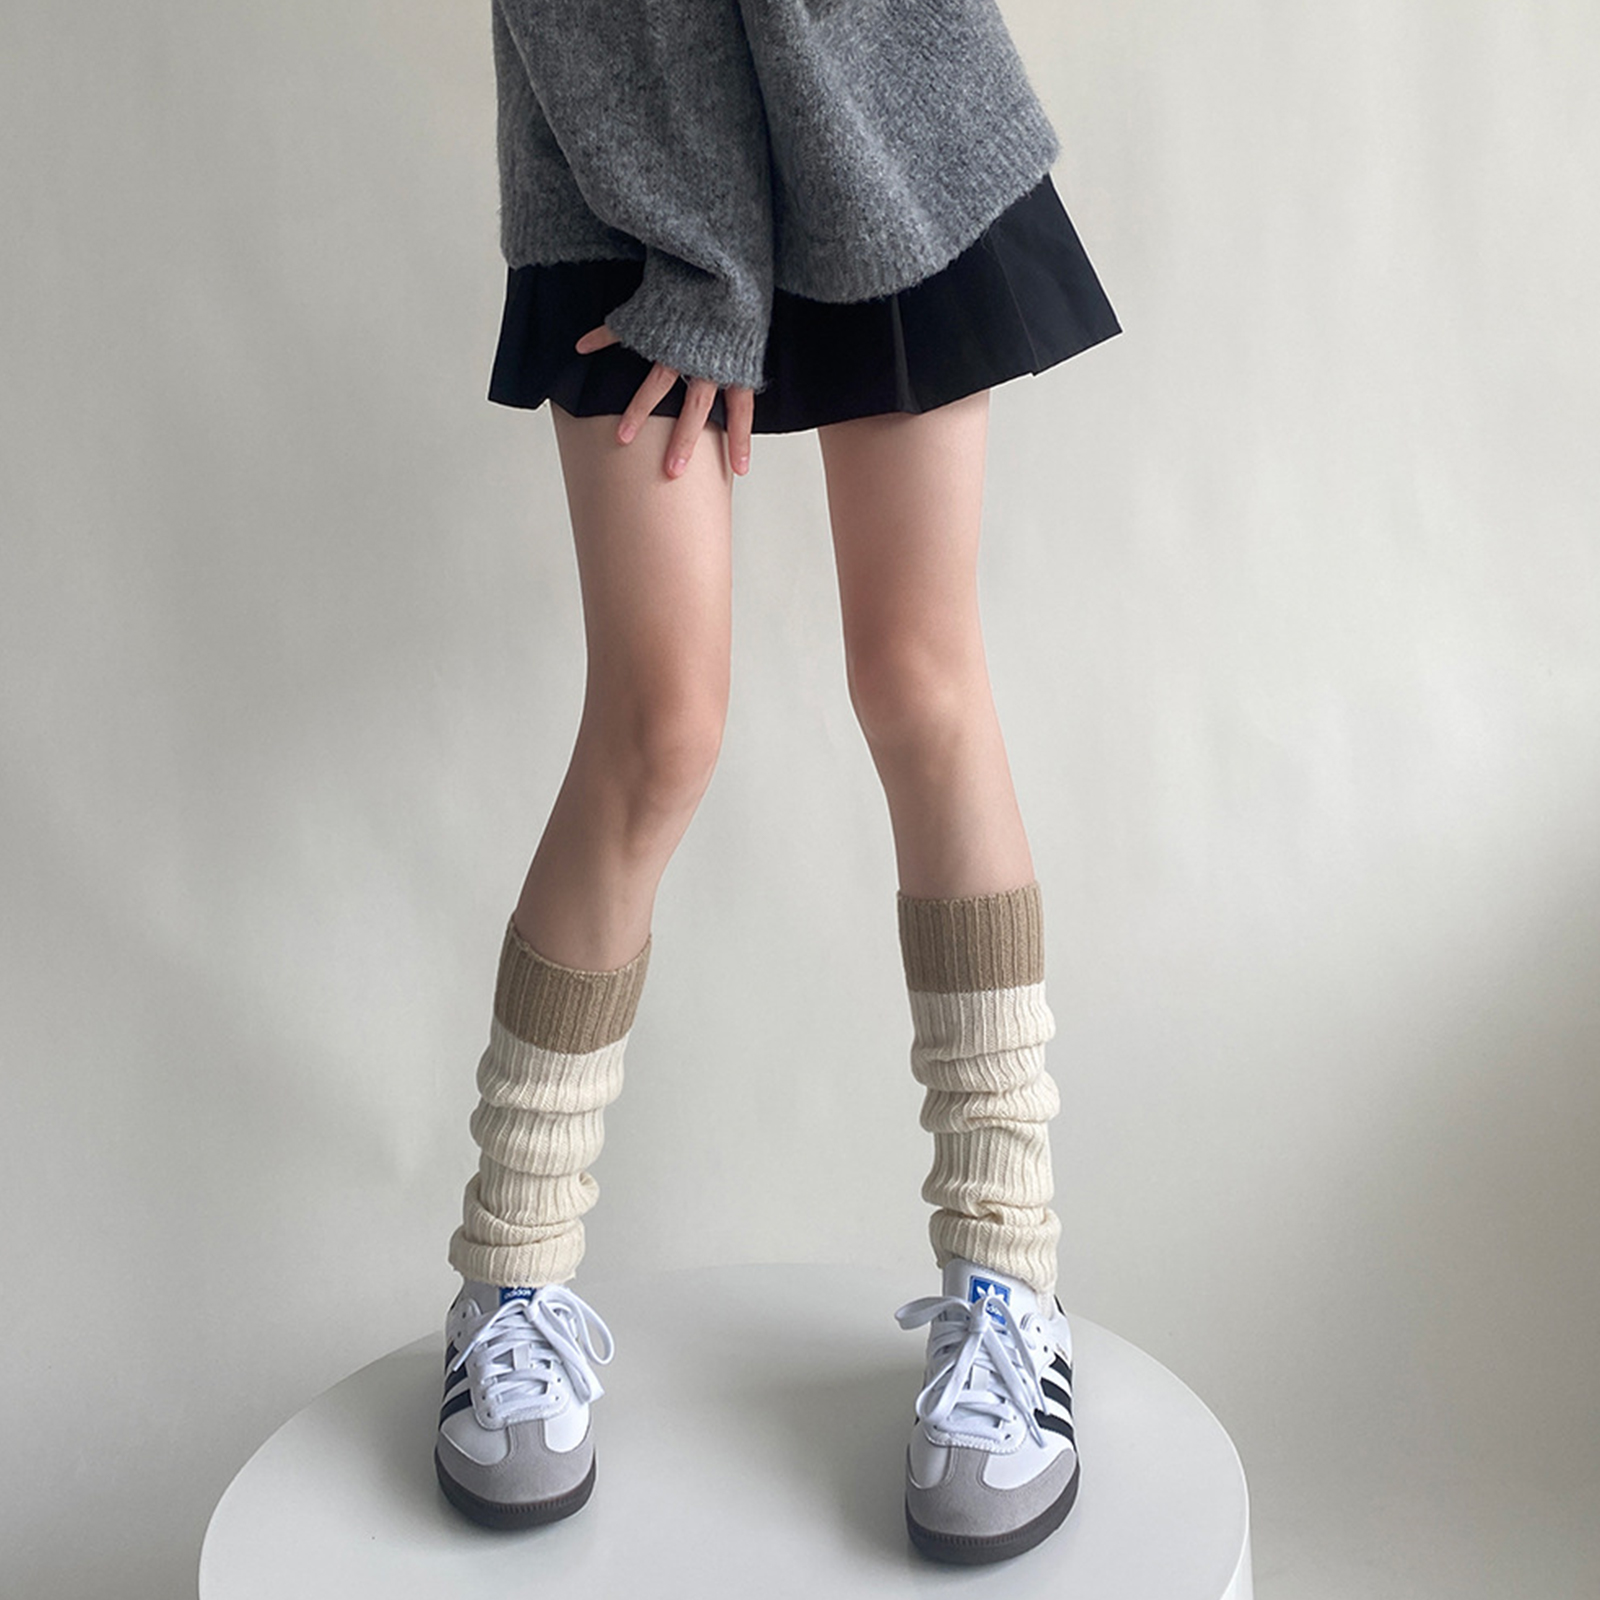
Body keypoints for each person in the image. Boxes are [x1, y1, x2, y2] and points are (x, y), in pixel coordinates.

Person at [432, 0, 1121, 1566]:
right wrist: (699, 261)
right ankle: (509, 1277)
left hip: (874, 111)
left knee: (921, 683)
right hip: (623, 179)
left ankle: (1010, 1281)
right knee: (659, 726)